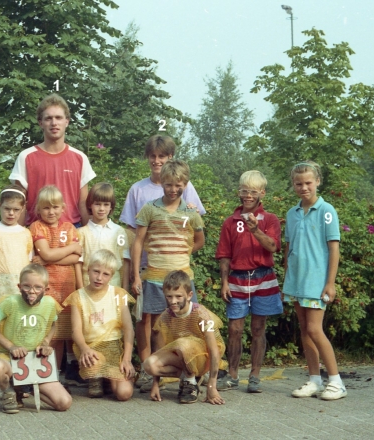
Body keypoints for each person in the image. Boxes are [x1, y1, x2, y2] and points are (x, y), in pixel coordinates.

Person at [119, 135, 205, 391]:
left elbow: (195, 235)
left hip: (178, 271)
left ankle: (189, 372)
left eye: (162, 156)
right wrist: (135, 274)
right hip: (150, 270)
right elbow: (134, 235)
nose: (157, 160)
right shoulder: (140, 192)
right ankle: (149, 370)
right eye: (153, 156)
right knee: (149, 322)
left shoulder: (186, 194)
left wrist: (179, 252)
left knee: (185, 320)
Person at [283, 161, 346, 401]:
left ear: (318, 182)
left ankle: (336, 382)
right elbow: (289, 247)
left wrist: (330, 283)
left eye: (308, 182)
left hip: (317, 282)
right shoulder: (292, 213)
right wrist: (287, 277)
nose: (304, 187)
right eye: (298, 183)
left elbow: (334, 249)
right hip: (296, 281)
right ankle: (314, 380)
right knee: (304, 331)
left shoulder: (327, 210)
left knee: (314, 329)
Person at [215, 171, 282, 393]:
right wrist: (224, 282)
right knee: (235, 328)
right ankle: (233, 374)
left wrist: (256, 231)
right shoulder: (230, 221)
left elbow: (272, 247)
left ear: (262, 193)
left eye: (253, 191)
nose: (248, 195)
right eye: (244, 191)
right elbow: (224, 255)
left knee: (258, 328)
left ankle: (255, 374)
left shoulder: (270, 219)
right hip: (237, 279)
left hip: (263, 277)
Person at [0, 264, 72, 413]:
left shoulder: (50, 304)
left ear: (46, 289)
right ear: (19, 286)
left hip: (33, 361)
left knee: (64, 403)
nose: (32, 291)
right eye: (26, 286)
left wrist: (46, 342)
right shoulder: (11, 302)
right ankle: (7, 390)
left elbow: (53, 325)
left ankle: (24, 387)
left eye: (37, 287)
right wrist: (11, 347)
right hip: (7, 356)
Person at [0, 184, 34, 400]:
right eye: (6, 209)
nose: (11, 213)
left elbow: (29, 267)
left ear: (22, 210)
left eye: (15, 210)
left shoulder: (25, 234)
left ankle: (20, 381)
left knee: (20, 335)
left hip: (19, 295)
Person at [9, 93, 96, 226]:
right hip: (36, 231)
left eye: (58, 118)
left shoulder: (80, 158)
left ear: (66, 121)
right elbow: (19, 203)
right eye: (48, 118)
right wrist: (19, 236)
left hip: (71, 230)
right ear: (41, 123)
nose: (54, 123)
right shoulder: (26, 157)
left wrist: (86, 236)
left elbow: (83, 203)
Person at [143, 270, 226, 405]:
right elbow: (159, 349)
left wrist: (212, 385)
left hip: (202, 358)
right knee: (149, 365)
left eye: (178, 296)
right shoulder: (165, 316)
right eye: (169, 296)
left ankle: (191, 384)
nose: (173, 301)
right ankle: (189, 377)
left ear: (189, 295)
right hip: (181, 355)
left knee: (183, 344)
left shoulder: (201, 314)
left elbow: (214, 349)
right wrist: (155, 385)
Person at [28, 185, 83, 383]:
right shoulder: (37, 227)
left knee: (58, 335)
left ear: (63, 208)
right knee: (43, 333)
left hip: (66, 288)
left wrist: (48, 259)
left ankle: (54, 379)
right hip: (46, 288)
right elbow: (49, 252)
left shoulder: (69, 228)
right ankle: (36, 376)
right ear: (39, 210)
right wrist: (70, 248)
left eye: (55, 207)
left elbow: (76, 258)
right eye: (46, 208)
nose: (51, 212)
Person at [64, 249, 135, 400]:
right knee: (94, 359)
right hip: (89, 346)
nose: (99, 278)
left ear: (112, 275)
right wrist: (84, 348)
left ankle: (109, 378)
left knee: (124, 393)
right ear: (88, 269)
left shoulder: (118, 294)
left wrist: (127, 359)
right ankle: (96, 378)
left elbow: (129, 329)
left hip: (113, 346)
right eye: (96, 272)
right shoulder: (78, 296)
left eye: (105, 274)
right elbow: (76, 330)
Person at [78, 182, 128, 291]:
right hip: (87, 286)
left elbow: (125, 263)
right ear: (90, 205)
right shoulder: (81, 233)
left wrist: (124, 289)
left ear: (111, 207)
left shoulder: (119, 232)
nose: (101, 208)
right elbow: (78, 263)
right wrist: (80, 289)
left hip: (113, 287)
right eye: (97, 204)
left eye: (106, 204)